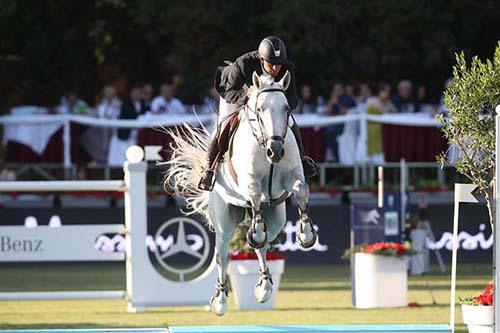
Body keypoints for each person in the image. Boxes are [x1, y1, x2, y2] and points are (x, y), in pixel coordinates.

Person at [198, 36, 319, 191]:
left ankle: (303, 159)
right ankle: (209, 169)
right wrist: (247, 95)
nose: (275, 69)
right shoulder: (244, 64)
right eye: (271, 64)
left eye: (278, 65)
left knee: (289, 120)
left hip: (267, 102)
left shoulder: (286, 67)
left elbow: (293, 100)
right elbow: (229, 94)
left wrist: (280, 101)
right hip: (236, 94)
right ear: (261, 59)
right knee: (225, 123)